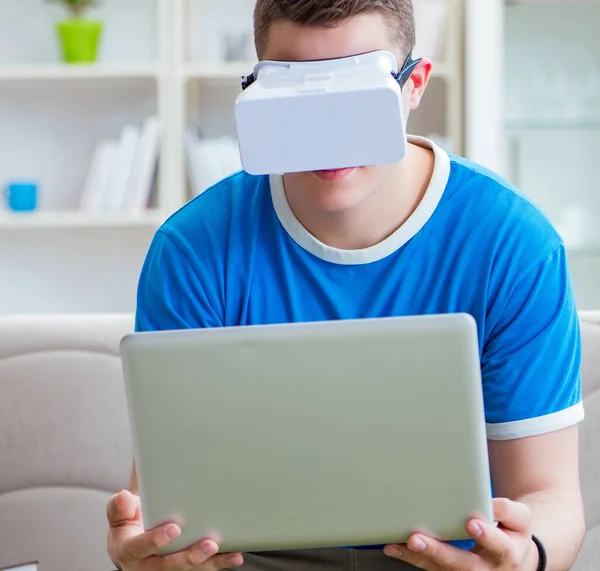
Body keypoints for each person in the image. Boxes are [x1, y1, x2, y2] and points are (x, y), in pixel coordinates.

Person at [106, 1, 586, 570]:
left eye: (357, 99)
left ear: (414, 86)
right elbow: (161, 506)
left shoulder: (513, 245)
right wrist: (145, 554)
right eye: (294, 99)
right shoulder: (194, 248)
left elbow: (550, 496)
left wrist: (525, 557)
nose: (328, 135)